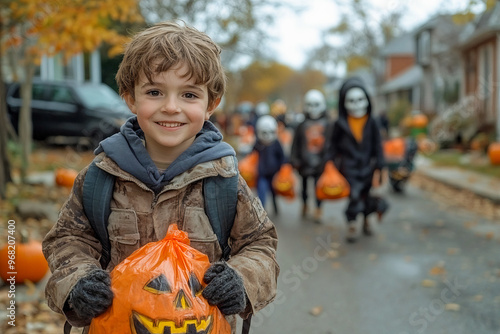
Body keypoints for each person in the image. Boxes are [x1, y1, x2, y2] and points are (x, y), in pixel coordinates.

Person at [42, 21, 279, 334]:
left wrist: (241, 279)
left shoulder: (224, 181)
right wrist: (78, 283)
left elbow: (260, 245)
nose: (171, 107)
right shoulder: (100, 177)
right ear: (130, 98)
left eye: (189, 95)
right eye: (154, 92)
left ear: (211, 104)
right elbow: (66, 241)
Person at [324, 77, 388, 243]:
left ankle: (367, 219)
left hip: (369, 166)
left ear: (367, 100)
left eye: (360, 100)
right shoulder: (340, 123)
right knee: (354, 195)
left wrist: (380, 164)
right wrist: (329, 163)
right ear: (344, 103)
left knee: (368, 195)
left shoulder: (372, 122)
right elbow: (332, 145)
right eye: (351, 101)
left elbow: (377, 144)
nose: (356, 104)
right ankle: (352, 222)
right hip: (349, 167)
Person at [290, 89, 329, 223]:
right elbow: (295, 143)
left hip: (321, 162)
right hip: (304, 162)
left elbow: (331, 144)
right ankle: (305, 204)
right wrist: (294, 159)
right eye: (310, 105)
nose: (313, 109)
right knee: (305, 187)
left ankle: (318, 209)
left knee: (319, 187)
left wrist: (330, 160)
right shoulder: (301, 125)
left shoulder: (328, 124)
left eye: (316, 105)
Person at [253, 115, 285, 215]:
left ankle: (275, 207)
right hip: (262, 173)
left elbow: (282, 156)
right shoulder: (258, 143)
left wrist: (283, 168)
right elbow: (252, 156)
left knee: (273, 191)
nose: (267, 136)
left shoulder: (276, 143)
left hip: (274, 173)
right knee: (261, 192)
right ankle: (262, 210)